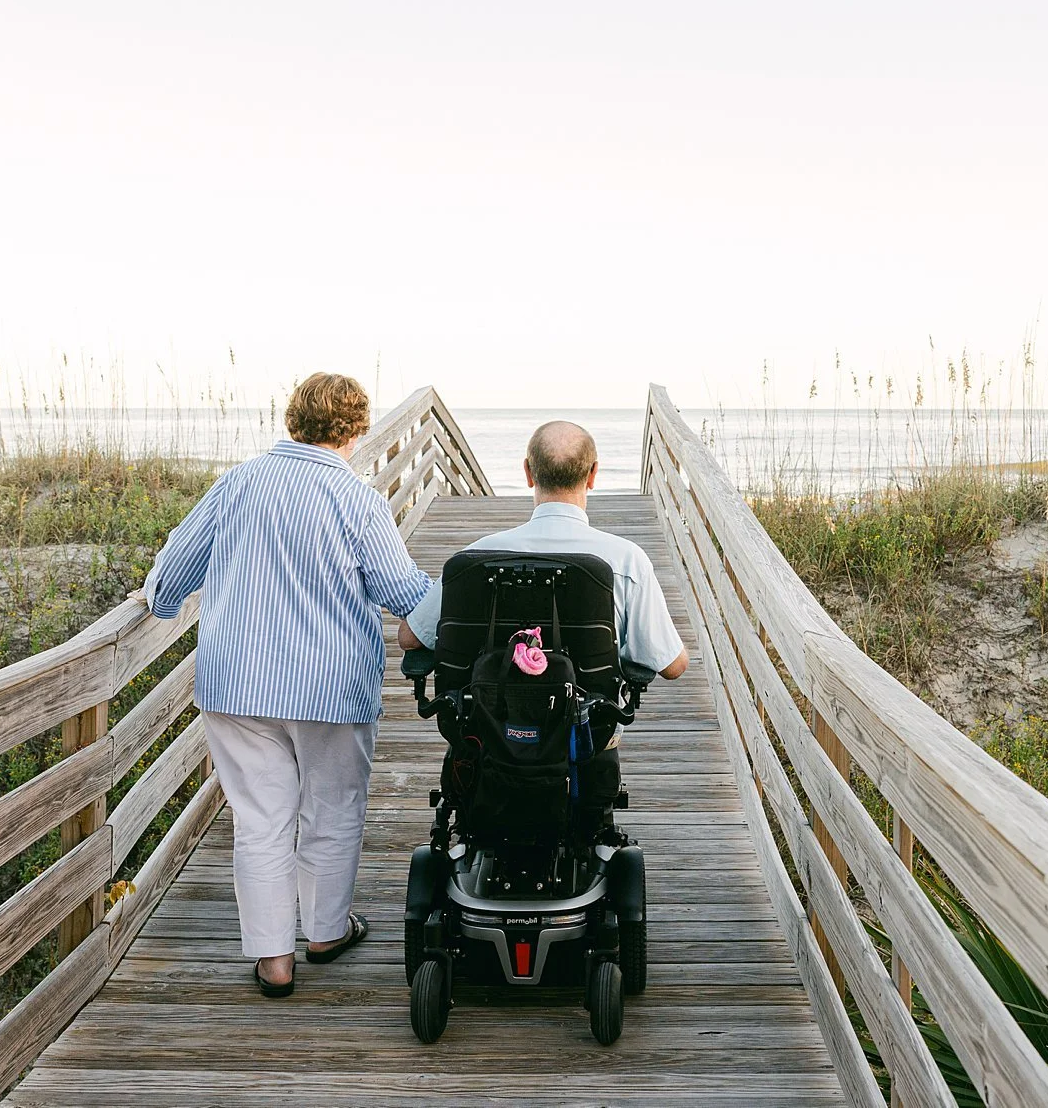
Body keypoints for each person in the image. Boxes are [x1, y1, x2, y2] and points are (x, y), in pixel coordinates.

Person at [142, 372, 434, 998]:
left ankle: (274, 961)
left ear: (292, 421)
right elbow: (404, 595)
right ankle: (326, 932)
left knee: (261, 820)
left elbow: (169, 583)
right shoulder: (357, 499)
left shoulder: (238, 483)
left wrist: (156, 601)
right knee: (333, 810)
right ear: (354, 432)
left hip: (239, 684)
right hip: (331, 687)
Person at [398, 419, 688, 686]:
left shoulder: (475, 557)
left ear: (528, 472)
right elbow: (672, 666)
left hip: (485, 726)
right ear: (592, 475)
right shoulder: (627, 561)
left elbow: (410, 638)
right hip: (588, 728)